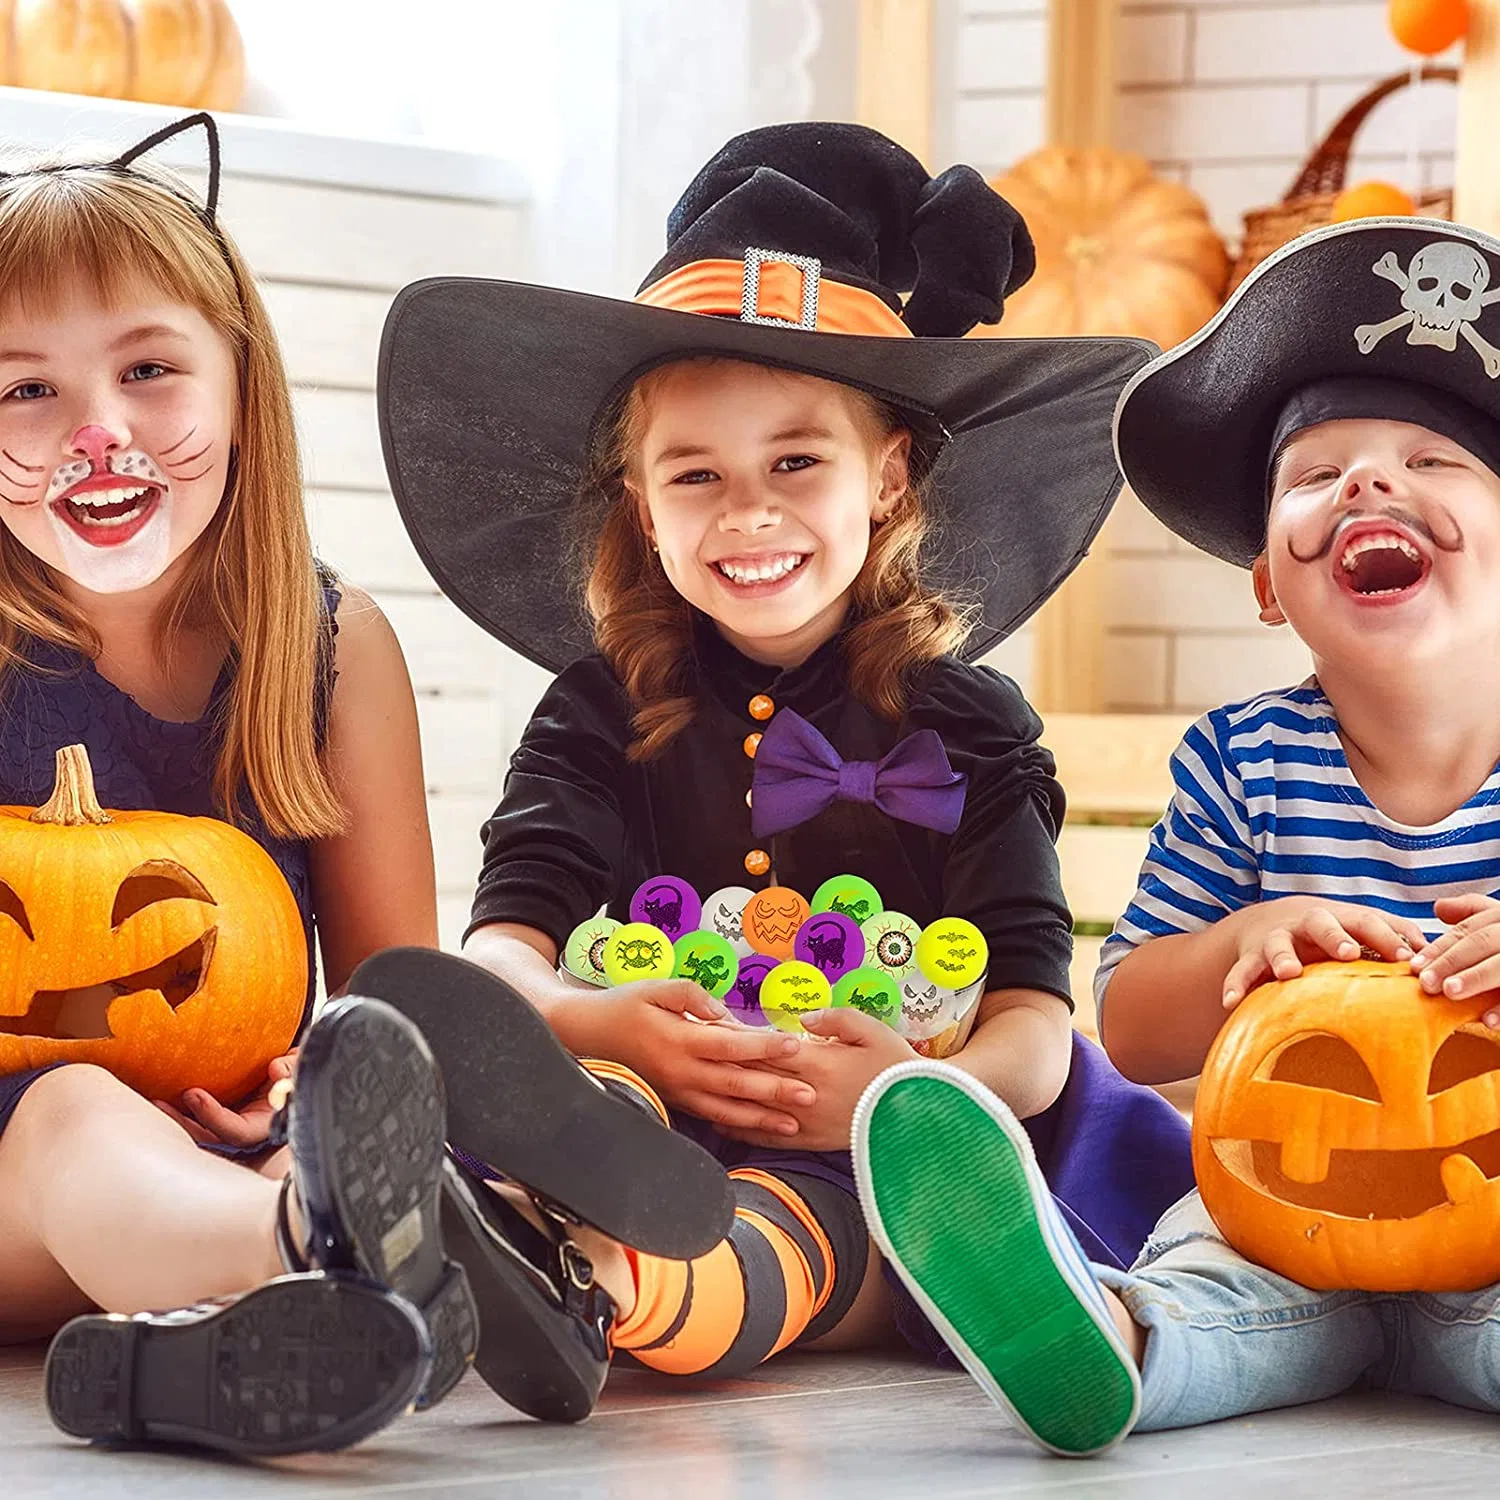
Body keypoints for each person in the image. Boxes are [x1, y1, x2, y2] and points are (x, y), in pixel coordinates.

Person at [363, 122, 1196, 1421]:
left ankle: (623, 1289)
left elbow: (1037, 1035)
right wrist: (600, 1019)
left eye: (795, 461)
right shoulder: (599, 712)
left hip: (894, 1142)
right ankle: (500, 1239)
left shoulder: (971, 729)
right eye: (695, 475)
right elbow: (503, 960)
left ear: (889, 476)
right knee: (572, 1100)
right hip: (642, 1094)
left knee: (812, 1211)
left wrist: (906, 1098)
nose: (746, 513)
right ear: (642, 504)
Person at [850, 215, 1500, 1456]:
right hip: (1279, 1218)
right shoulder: (1243, 763)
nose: (1369, 483)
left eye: (1433, 460)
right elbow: (1138, 1026)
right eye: (1316, 474)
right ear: (1267, 578)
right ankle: (1095, 1340)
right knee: (1204, 1287)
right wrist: (1240, 942)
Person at [0, 115, 475, 1453]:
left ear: (241, 383)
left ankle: (189, 1359)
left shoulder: (329, 652)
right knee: (74, 1110)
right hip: (13, 1175)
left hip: (227, 1156)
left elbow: (393, 1004)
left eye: (149, 369)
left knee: (412, 1131)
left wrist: (302, 1108)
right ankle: (327, 1255)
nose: (97, 435)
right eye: (24, 391)